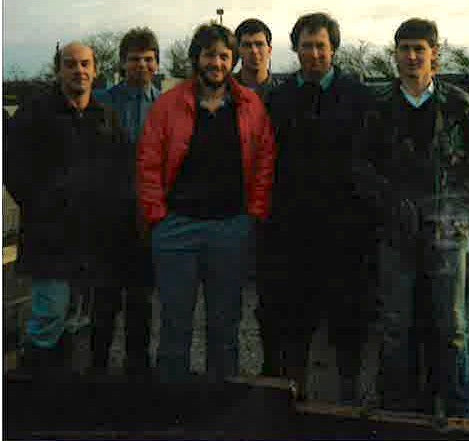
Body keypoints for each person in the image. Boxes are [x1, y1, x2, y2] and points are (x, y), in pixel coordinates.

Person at [359, 18, 469, 420]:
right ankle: (396, 410)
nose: (412, 56)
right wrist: (388, 203)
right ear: (394, 54)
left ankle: (456, 410)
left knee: (450, 326)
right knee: (396, 323)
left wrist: (459, 210)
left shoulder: (456, 105)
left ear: (435, 53)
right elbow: (361, 165)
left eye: (420, 48)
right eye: (404, 48)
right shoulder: (380, 107)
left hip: (447, 234)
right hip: (395, 233)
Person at [137, 23, 275, 383]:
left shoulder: (250, 105)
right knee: (174, 324)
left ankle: (220, 405)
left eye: (224, 56)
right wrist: (158, 217)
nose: (216, 62)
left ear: (233, 61)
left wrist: (253, 216)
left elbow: (264, 162)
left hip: (230, 229)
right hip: (177, 229)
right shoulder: (169, 105)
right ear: (196, 58)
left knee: (225, 325)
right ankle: (172, 407)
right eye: (210, 55)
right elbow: (149, 162)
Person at [261, 12, 377, 403]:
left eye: (321, 46)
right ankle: (296, 395)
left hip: (346, 230)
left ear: (334, 49)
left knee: (347, 316)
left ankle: (346, 396)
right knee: (294, 318)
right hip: (291, 230)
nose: (314, 54)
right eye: (306, 46)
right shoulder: (278, 99)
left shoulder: (359, 97)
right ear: (295, 49)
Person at [5, 42, 135, 376]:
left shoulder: (106, 117)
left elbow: (123, 170)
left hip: (94, 240)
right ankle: (31, 391)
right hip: (50, 239)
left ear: (96, 70)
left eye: (85, 64)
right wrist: (41, 205)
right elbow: (13, 168)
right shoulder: (35, 114)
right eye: (70, 64)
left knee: (81, 319)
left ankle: (67, 394)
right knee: (50, 315)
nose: (79, 70)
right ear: (58, 70)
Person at [91, 27, 161, 376]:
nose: (142, 65)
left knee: (140, 299)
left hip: (147, 217)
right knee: (103, 298)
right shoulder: (100, 102)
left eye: (149, 59)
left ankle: (137, 366)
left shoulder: (165, 105)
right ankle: (97, 367)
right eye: (134, 59)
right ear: (122, 63)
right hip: (107, 217)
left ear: (157, 63)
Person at [233, 18, 283, 102]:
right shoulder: (225, 92)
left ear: (269, 50)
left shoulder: (285, 93)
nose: (254, 51)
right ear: (238, 51)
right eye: (247, 45)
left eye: (259, 44)